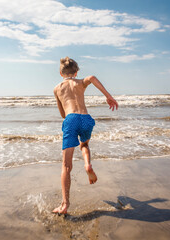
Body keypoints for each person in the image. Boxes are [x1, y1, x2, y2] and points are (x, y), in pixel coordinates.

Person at [52, 56, 119, 214]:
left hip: (71, 119)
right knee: (85, 144)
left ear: (61, 73)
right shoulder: (81, 82)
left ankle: (64, 204)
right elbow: (92, 78)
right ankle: (87, 164)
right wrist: (108, 96)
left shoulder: (57, 88)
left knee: (66, 166)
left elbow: (63, 114)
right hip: (86, 119)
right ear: (75, 73)